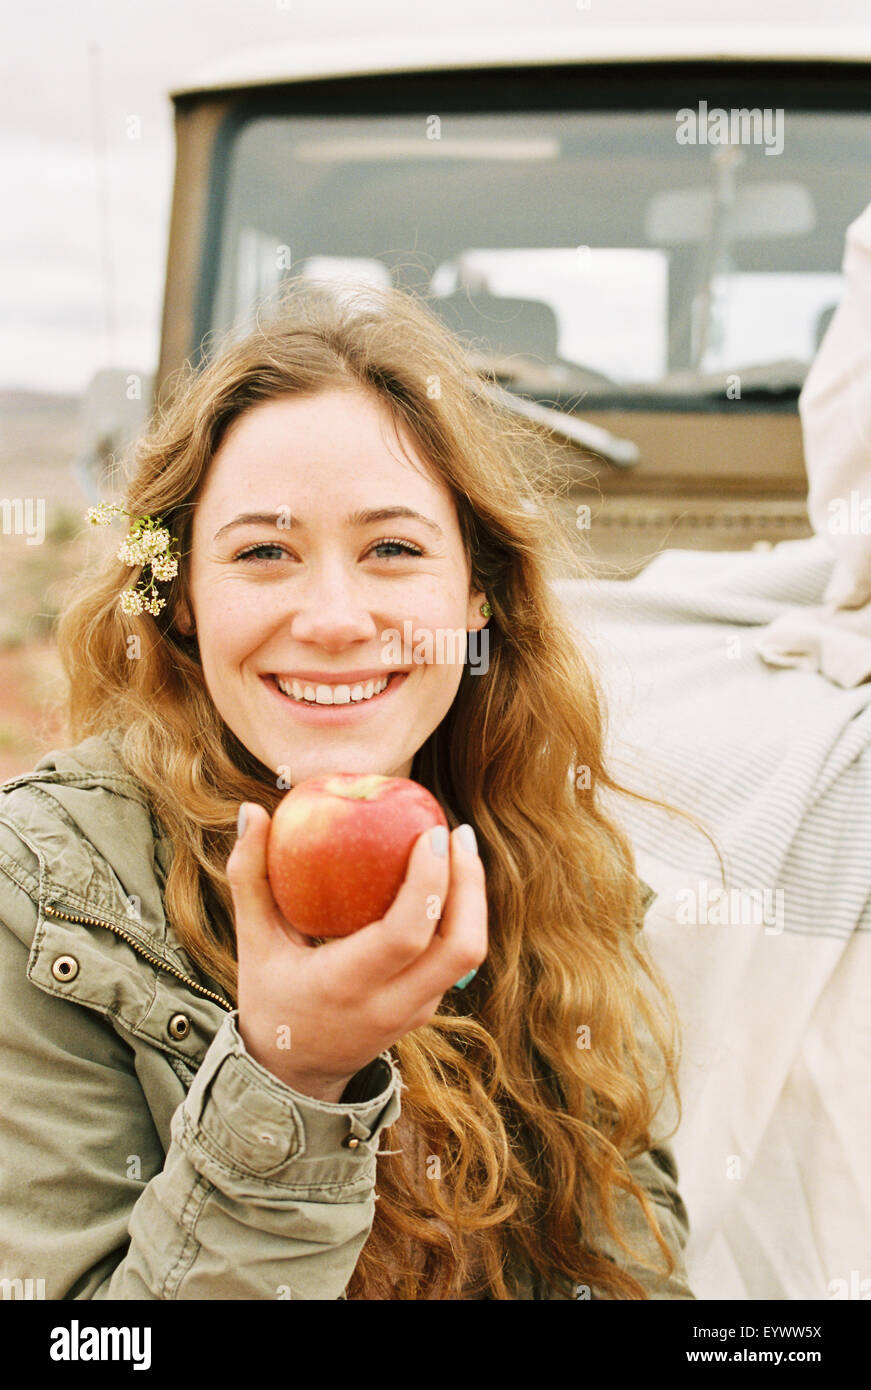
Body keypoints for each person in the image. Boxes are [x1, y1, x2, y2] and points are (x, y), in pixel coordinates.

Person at [0, 280, 694, 1300]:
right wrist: (289, 1077)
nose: (333, 617)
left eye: (393, 549)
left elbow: (637, 1269)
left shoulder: (557, 860)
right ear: (185, 598)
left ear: (473, 597)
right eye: (264, 552)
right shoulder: (47, 894)